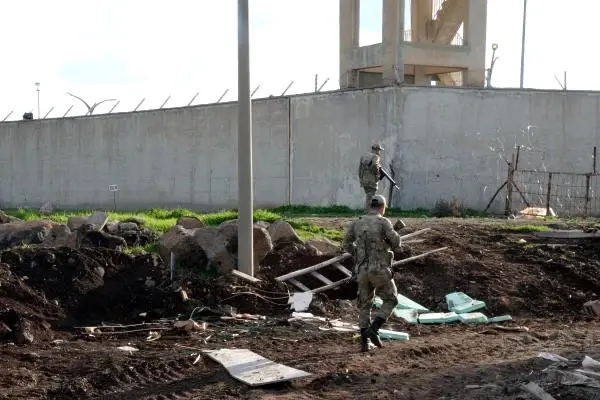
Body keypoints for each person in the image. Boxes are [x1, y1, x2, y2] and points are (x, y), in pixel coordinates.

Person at [342, 194, 405, 352]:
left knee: (365, 304)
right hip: (378, 269)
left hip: (361, 270)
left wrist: (358, 254)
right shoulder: (383, 222)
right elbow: (396, 241)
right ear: (382, 207)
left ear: (370, 206)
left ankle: (364, 342)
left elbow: (346, 244)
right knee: (391, 299)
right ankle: (374, 329)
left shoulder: (357, 222)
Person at [358, 143, 385, 210]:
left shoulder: (364, 156)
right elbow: (374, 165)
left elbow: (360, 169)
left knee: (369, 196)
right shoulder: (376, 157)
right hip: (372, 180)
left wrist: (361, 179)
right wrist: (377, 174)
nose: (379, 152)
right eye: (379, 150)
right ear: (376, 150)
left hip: (364, 180)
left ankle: (369, 212)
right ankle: (368, 213)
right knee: (371, 198)